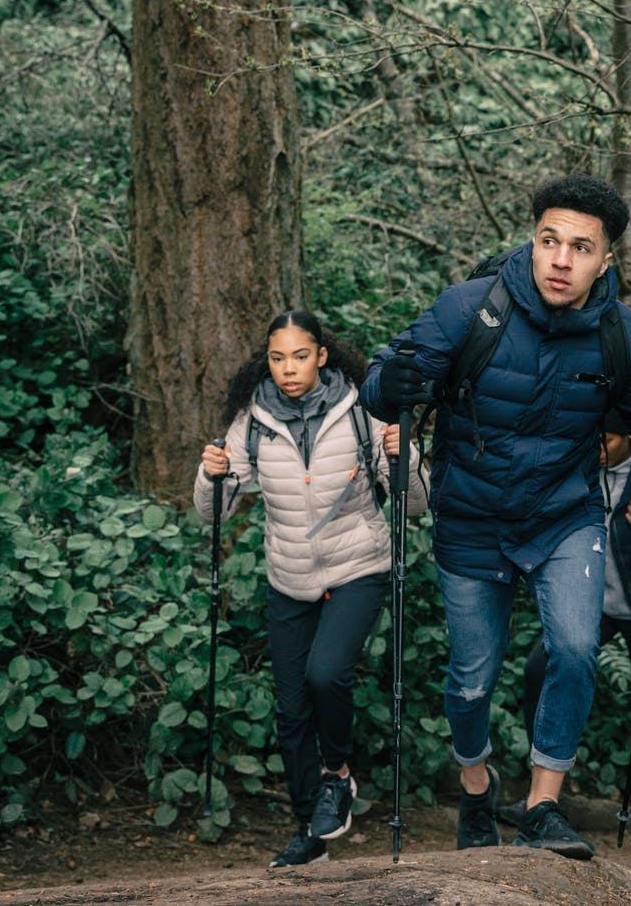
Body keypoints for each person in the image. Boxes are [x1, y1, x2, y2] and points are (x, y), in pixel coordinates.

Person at [359, 173, 631, 861]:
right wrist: (387, 386)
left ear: (604, 261)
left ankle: (542, 804)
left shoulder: (622, 335)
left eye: (580, 247)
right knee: (470, 678)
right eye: (549, 240)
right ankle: (476, 785)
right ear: (532, 239)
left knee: (575, 650)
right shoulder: (470, 308)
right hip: (471, 514)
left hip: (564, 516)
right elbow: (387, 373)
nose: (559, 259)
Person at [194, 309, 425, 870]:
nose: (288, 369)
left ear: (322, 356)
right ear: (265, 361)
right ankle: (309, 833)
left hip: (357, 567)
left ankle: (338, 775)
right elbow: (213, 513)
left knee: (326, 673)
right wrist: (213, 474)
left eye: (300, 356)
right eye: (277, 358)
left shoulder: (361, 410)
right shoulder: (252, 420)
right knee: (292, 709)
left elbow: (413, 504)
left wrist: (405, 456)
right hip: (289, 576)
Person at [496, 409, 631, 850]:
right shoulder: (578, 472)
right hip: (596, 606)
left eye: (608, 439)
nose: (598, 447)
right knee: (538, 670)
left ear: (630, 438)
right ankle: (543, 797)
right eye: (593, 436)